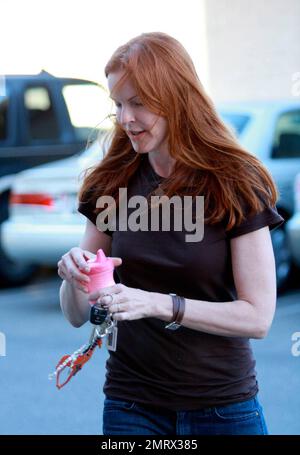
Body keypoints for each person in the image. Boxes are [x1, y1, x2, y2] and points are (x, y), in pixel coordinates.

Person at [58, 32, 284, 435]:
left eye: (139, 103)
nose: (126, 118)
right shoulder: (111, 183)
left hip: (221, 409)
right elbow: (78, 316)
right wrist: (73, 278)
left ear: (176, 98)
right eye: (118, 104)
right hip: (131, 407)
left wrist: (158, 304)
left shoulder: (232, 182)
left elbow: (258, 317)